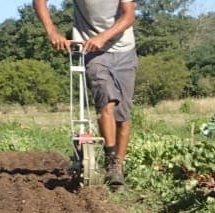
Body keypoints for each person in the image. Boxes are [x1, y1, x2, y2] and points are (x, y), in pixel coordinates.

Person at [33, 0, 137, 190]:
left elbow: (129, 15)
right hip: (91, 51)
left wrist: (103, 37)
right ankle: (111, 159)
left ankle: (117, 169)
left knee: (122, 116)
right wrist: (52, 31)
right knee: (107, 101)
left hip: (124, 51)